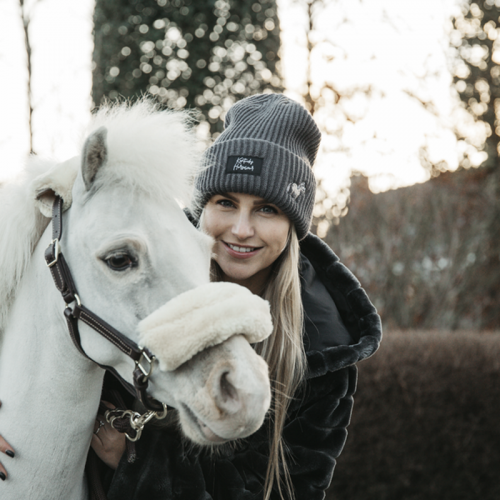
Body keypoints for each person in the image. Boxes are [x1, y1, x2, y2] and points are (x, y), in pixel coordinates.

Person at [0, 93, 382, 499]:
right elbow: (44, 304)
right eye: (225, 202)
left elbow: (290, 491)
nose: (240, 228)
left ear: (293, 225)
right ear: (202, 206)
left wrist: (138, 462)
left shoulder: (324, 347)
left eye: (267, 209)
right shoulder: (151, 259)